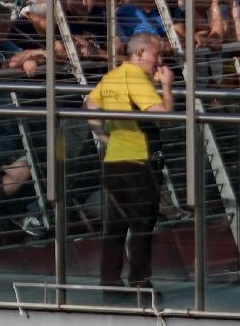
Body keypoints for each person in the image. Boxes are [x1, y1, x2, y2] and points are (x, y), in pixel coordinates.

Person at [85, 32, 174, 293]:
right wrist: (166, 86)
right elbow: (164, 115)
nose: (159, 61)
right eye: (156, 54)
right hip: (139, 159)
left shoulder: (113, 75)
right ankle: (140, 280)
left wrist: (102, 135)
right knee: (142, 224)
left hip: (114, 158)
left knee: (115, 225)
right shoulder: (136, 78)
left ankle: (110, 280)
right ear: (139, 54)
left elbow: (90, 102)